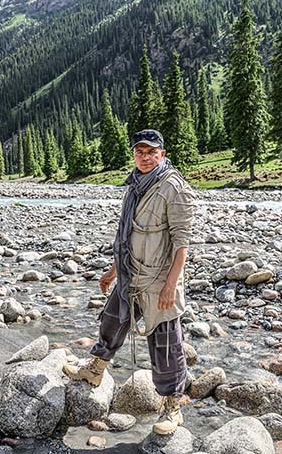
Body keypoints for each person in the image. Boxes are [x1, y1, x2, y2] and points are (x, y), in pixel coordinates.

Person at [64, 129, 194, 436]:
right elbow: (127, 236)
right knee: (112, 320)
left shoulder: (175, 188)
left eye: (151, 152)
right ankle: (95, 370)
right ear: (134, 154)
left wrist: (170, 286)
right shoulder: (134, 185)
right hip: (128, 273)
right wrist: (113, 271)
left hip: (158, 280)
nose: (145, 157)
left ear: (162, 154)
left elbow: (182, 243)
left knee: (165, 343)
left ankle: (172, 407)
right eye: (140, 152)